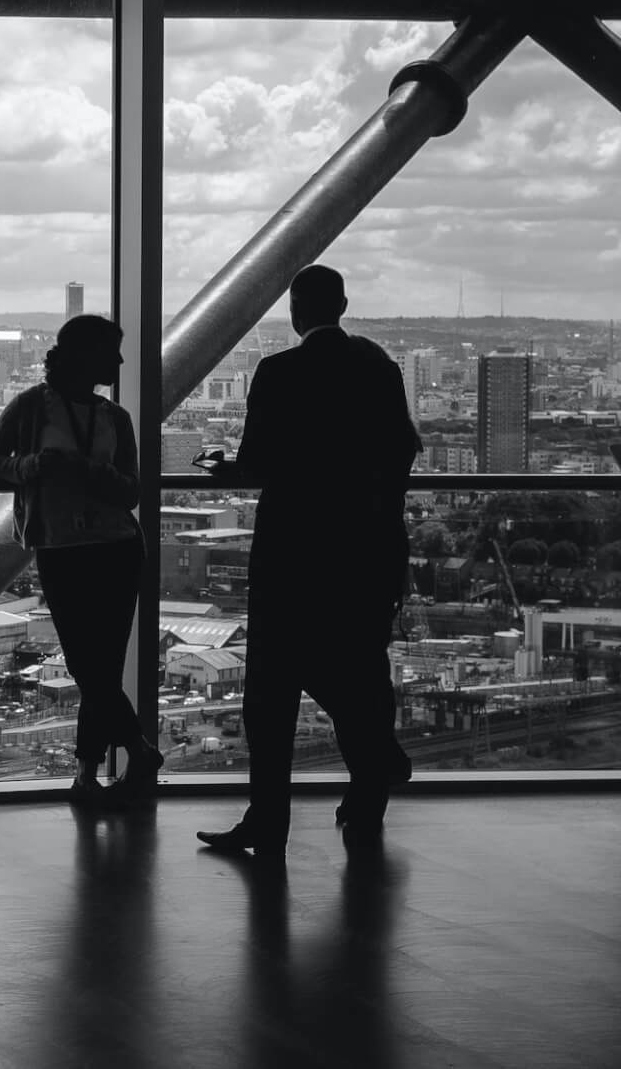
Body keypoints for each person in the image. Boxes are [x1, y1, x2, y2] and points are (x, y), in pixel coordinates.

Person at [196, 264, 421, 856]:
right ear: (343, 305)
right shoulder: (380, 369)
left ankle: (268, 821)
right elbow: (402, 451)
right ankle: (369, 790)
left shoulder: (279, 371)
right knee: (360, 665)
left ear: (296, 312)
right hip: (367, 549)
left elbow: (260, 464)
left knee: (272, 690)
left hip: (294, 550)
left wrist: (226, 471)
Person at [0, 314, 161, 805]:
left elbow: (130, 491)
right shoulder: (32, 408)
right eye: (112, 352)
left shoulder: (114, 417)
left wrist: (79, 470)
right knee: (91, 666)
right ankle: (137, 750)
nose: (121, 361)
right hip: (68, 548)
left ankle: (87, 773)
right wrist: (36, 466)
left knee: (98, 666)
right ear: (86, 356)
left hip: (113, 548)